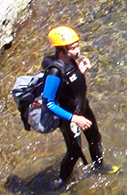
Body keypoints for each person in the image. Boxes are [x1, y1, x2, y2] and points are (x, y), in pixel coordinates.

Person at [42, 26, 106, 187]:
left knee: (95, 138)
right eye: (73, 47)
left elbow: (70, 83)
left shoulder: (70, 60)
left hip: (83, 109)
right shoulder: (54, 71)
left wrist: (80, 70)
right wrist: (74, 118)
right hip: (69, 117)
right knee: (74, 152)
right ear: (61, 50)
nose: (77, 50)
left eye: (77, 45)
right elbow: (47, 102)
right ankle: (62, 181)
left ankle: (100, 167)